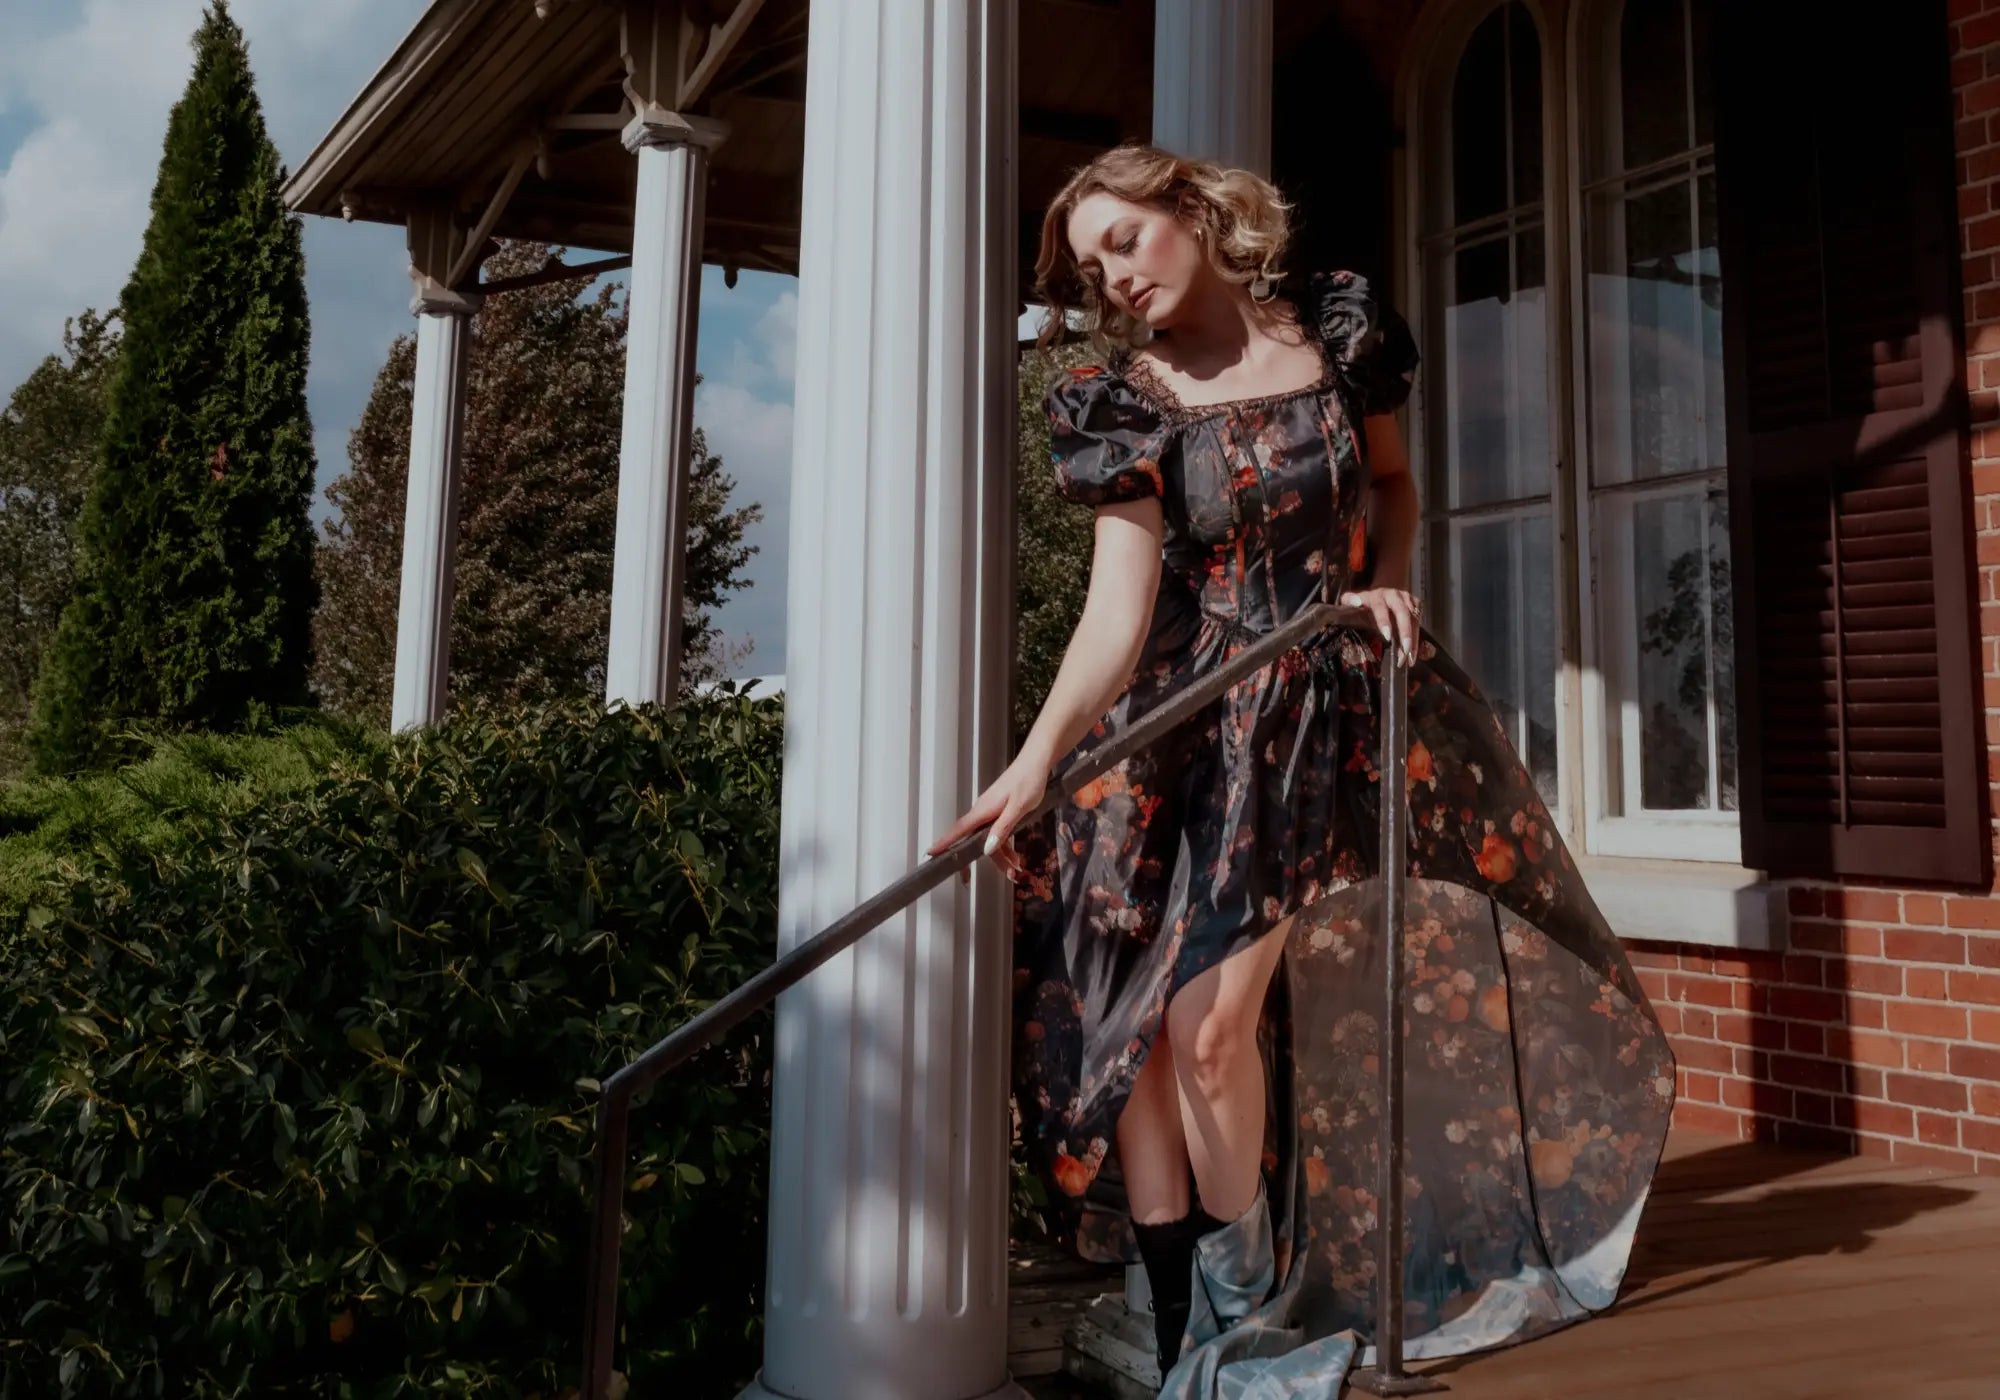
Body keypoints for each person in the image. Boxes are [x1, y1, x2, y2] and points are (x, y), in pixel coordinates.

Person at [929, 143, 1676, 1397]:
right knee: (1133, 1040)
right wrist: (1033, 759)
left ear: (1193, 209)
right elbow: (1115, 616)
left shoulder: (1336, 331)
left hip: (1297, 718)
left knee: (1210, 1028)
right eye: (1088, 264)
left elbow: (1390, 484)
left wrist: (1381, 579)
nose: (1111, 276)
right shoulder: (1124, 403)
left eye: (1124, 239)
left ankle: (1250, 1323)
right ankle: (1186, 1337)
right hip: (1165, 727)